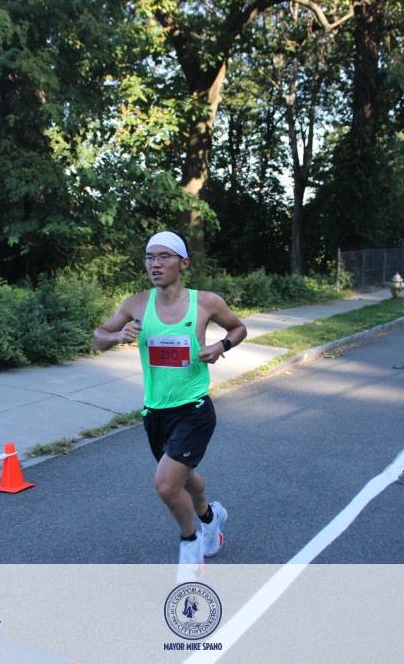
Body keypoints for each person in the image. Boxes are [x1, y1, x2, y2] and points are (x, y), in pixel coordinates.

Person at [92, 230, 247, 581]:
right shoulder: (136, 304)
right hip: (155, 413)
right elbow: (97, 337)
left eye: (164, 256)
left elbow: (238, 328)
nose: (155, 264)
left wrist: (221, 346)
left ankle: (190, 542)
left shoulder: (206, 302)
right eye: (150, 257)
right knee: (184, 477)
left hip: (194, 409)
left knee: (165, 485)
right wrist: (116, 336)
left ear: (184, 263)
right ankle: (211, 517)